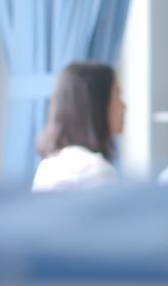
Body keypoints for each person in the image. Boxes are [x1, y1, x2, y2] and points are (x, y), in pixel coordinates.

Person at [32, 61, 125, 192]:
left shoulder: (48, 165)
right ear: (97, 106)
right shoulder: (95, 170)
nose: (124, 106)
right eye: (117, 96)